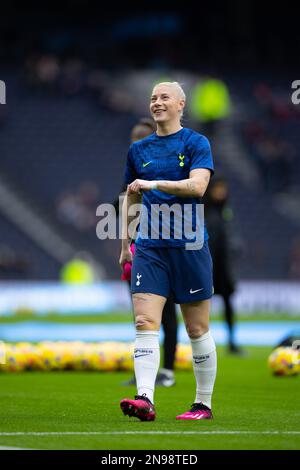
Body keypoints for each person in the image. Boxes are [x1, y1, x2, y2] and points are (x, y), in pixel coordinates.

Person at [119, 82, 217, 421]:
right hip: (149, 246)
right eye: (152, 98)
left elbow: (198, 186)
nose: (156, 103)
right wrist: (125, 244)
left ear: (180, 104)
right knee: (145, 320)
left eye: (163, 98)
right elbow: (130, 196)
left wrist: (154, 184)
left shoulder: (196, 143)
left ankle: (202, 404)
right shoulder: (138, 150)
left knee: (196, 329)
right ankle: (144, 398)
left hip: (189, 244)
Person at [115, 118, 178, 387]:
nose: (135, 143)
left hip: (166, 247)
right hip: (139, 249)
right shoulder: (131, 172)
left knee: (167, 312)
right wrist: (124, 247)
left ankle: (168, 369)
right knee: (141, 314)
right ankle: (145, 371)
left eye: (140, 138)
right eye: (132, 138)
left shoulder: (165, 170)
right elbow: (124, 210)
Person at [204, 177, 243, 354]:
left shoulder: (225, 211)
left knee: (228, 302)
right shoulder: (204, 210)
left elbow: (230, 234)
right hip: (207, 265)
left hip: (223, 266)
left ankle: (231, 341)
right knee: (202, 304)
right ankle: (203, 342)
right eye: (218, 189)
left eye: (223, 189)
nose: (221, 192)